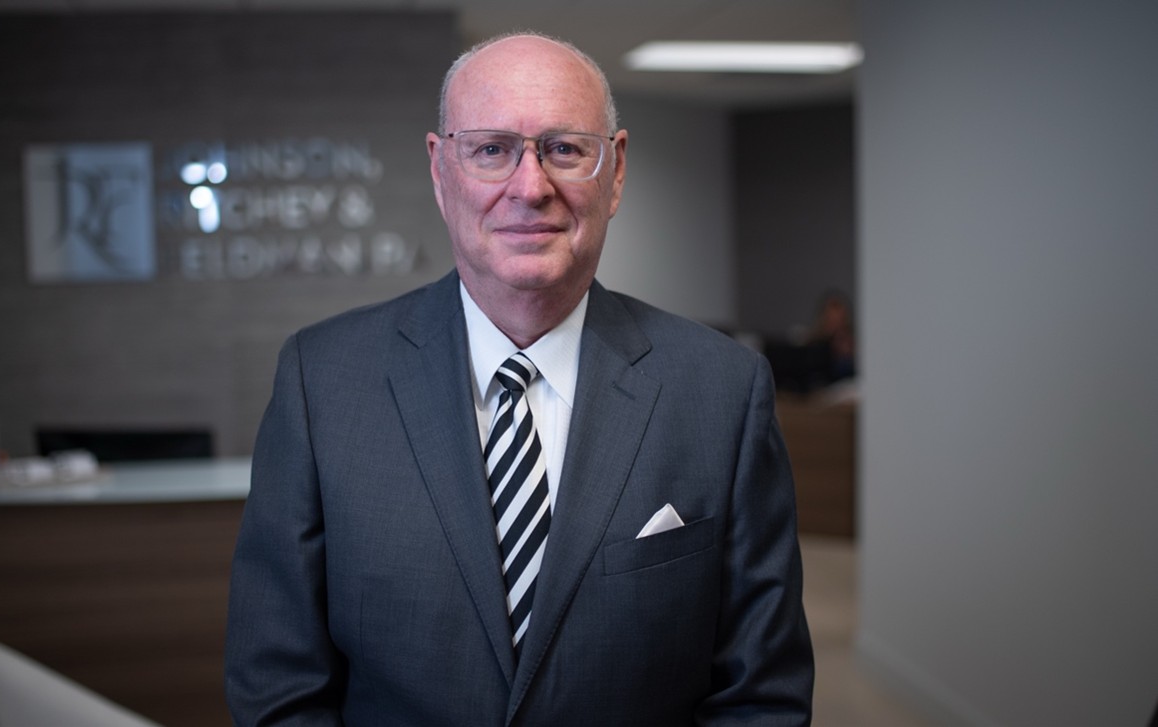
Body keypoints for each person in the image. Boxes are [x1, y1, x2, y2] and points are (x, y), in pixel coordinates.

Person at [225, 31, 814, 726]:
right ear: (441, 169)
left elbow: (761, 696)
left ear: (616, 170)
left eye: (564, 149)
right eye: (491, 150)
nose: (531, 188)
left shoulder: (724, 391)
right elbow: (278, 685)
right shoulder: (321, 381)